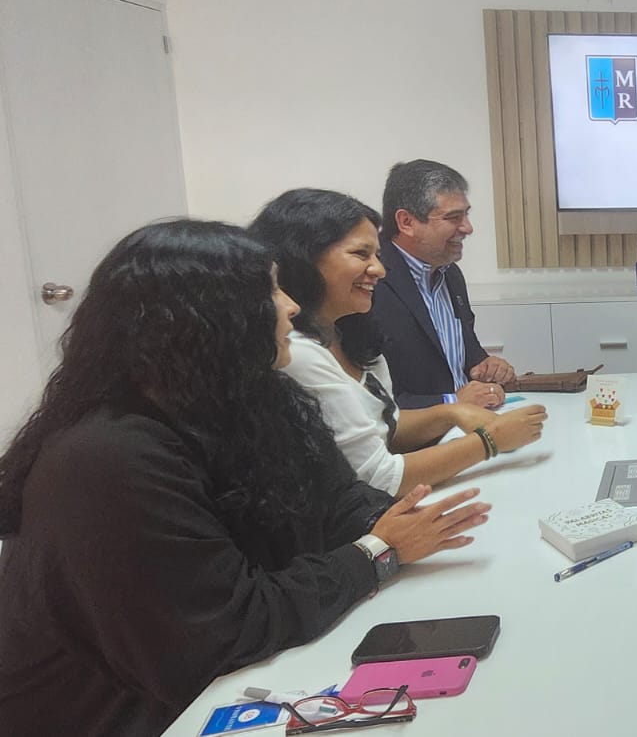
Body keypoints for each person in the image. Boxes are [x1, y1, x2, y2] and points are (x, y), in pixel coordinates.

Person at [0, 220, 491, 737]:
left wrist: (393, 523)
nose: (291, 306)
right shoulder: (107, 460)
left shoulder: (254, 397)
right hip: (117, 716)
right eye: (270, 291)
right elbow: (226, 630)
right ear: (205, 317)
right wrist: (376, 552)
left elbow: (335, 503)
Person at [250, 188, 547, 495]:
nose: (379, 270)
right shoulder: (296, 351)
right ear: (304, 260)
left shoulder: (350, 332)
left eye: (377, 256)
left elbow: (386, 424)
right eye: (360, 254)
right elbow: (379, 478)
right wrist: (490, 441)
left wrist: (451, 412)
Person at [370, 159, 516, 409]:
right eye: (453, 217)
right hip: (419, 432)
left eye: (466, 214)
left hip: (471, 422)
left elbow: (467, 358)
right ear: (406, 222)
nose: (468, 228)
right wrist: (451, 402)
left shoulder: (450, 274)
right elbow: (372, 401)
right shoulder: (371, 282)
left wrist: (487, 366)